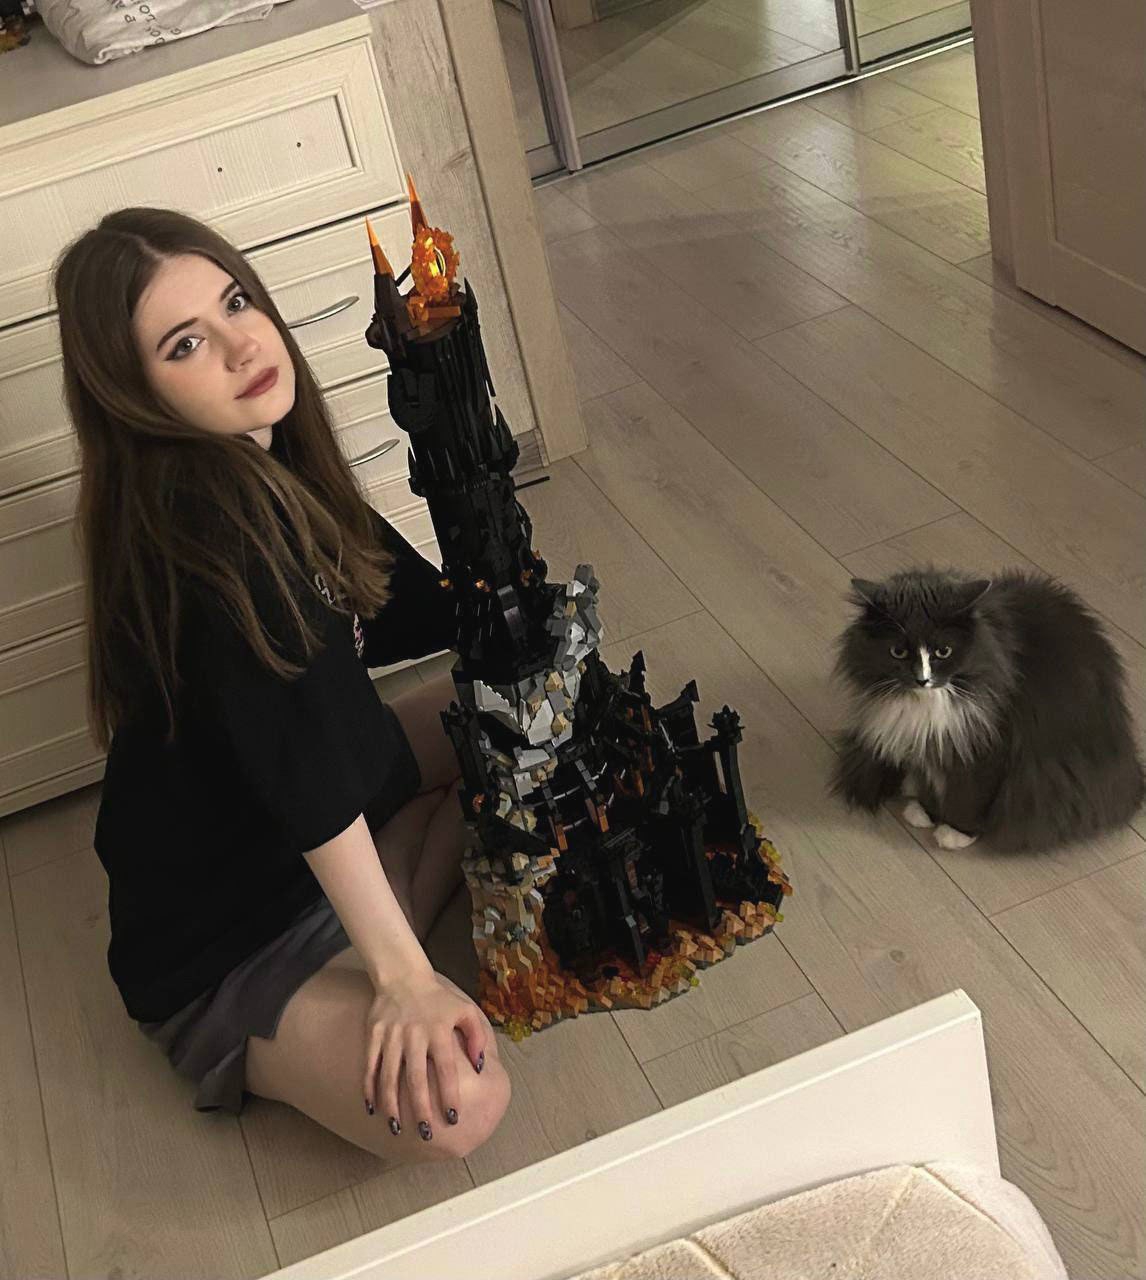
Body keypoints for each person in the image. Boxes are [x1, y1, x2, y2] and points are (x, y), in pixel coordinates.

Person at [51, 206, 511, 1163]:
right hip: (233, 930)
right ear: (134, 394)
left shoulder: (276, 460)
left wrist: (509, 573)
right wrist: (404, 979)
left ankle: (391, 895)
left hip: (318, 797)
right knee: (459, 1106)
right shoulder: (209, 540)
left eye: (235, 303)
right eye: (185, 344)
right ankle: (385, 917)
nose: (240, 345)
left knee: (523, 710)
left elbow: (420, 616)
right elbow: (307, 781)